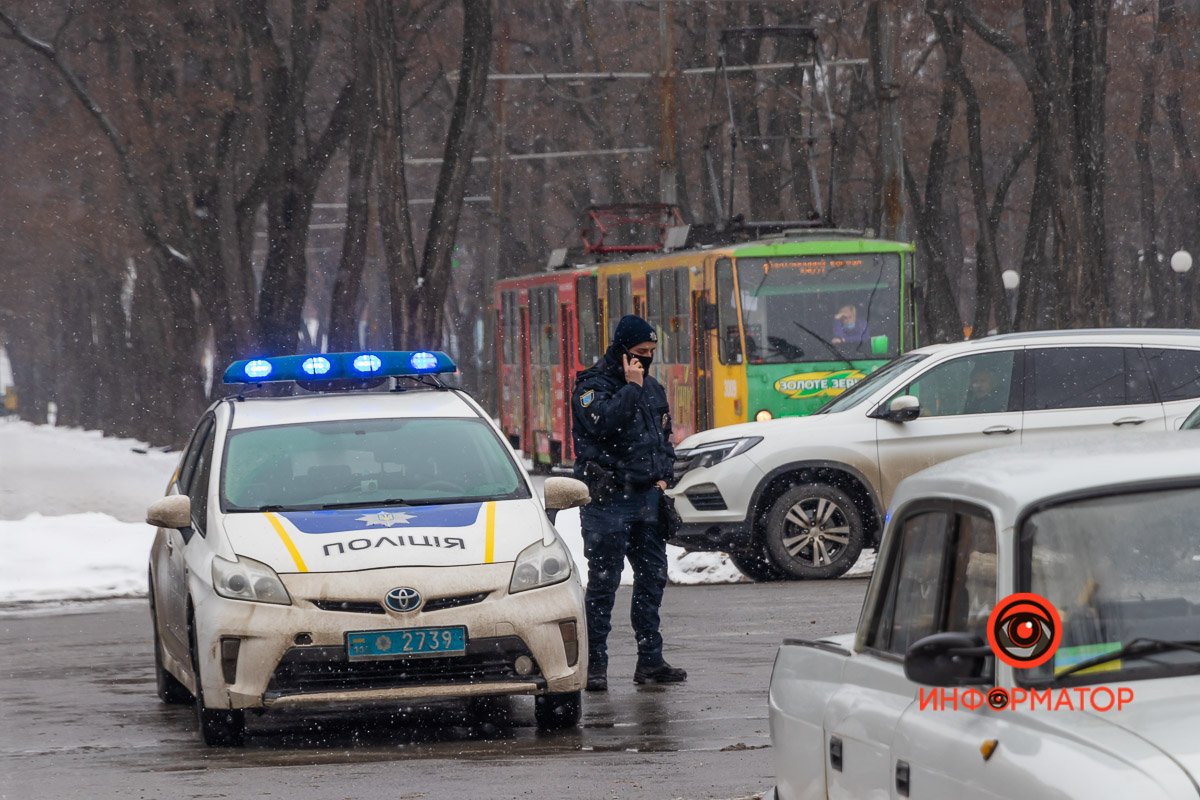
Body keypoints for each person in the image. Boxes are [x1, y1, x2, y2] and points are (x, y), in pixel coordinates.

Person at [571, 314, 687, 691]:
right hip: (607, 500)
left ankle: (650, 660)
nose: (646, 359)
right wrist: (632, 388)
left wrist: (665, 473)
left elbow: (662, 437)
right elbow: (605, 424)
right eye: (640, 352)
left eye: (652, 353)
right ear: (622, 351)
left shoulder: (651, 388)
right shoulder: (591, 386)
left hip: (646, 499)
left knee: (652, 578)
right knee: (604, 584)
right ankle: (594, 665)